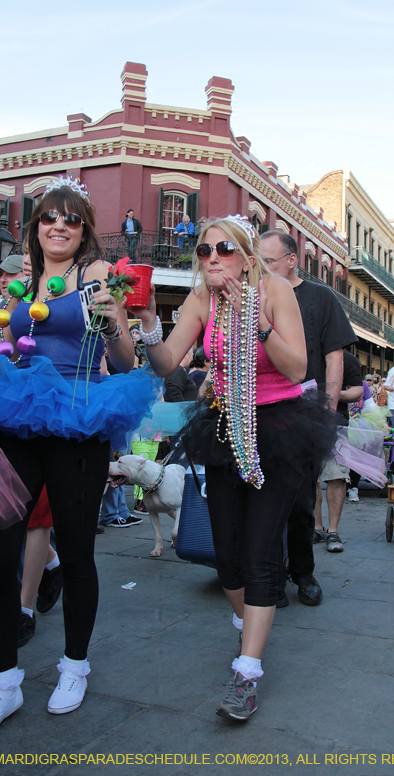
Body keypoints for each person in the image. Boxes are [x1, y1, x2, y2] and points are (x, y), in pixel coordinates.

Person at [0, 176, 159, 737]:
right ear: (35, 229)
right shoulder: (22, 284)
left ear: (83, 231)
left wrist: (115, 320)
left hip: (79, 412)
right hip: (21, 413)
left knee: (79, 548)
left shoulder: (95, 278)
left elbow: (125, 356)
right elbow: (15, 355)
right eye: (47, 218)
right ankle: (3, 684)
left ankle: (74, 666)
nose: (58, 225)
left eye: (70, 219)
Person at [133, 214, 336, 722]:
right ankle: (251, 626)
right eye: (203, 252)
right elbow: (167, 363)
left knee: (262, 552)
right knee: (227, 557)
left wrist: (255, 317)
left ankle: (247, 670)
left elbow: (297, 368)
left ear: (245, 255)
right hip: (225, 427)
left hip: (279, 429)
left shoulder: (274, 291)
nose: (213, 260)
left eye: (223, 249)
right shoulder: (202, 300)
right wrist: (145, 325)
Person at [259, 230, 357, 604]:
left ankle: (303, 573)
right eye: (259, 260)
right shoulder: (253, 294)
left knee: (301, 500)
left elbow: (334, 354)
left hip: (304, 411)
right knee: (259, 500)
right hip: (260, 412)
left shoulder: (320, 297)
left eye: (269, 261)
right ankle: (270, 576)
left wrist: (328, 409)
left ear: (291, 260)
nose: (263, 267)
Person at [314, 349, 363, 552]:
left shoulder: (347, 358)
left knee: (337, 477)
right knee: (310, 478)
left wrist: (336, 394)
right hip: (304, 423)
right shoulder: (303, 350)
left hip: (337, 425)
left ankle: (333, 531)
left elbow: (357, 390)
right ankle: (317, 527)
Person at [0, 255, 25, 349]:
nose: (2, 280)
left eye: (10, 274)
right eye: (1, 275)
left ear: (27, 273)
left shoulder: (40, 303)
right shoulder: (3, 305)